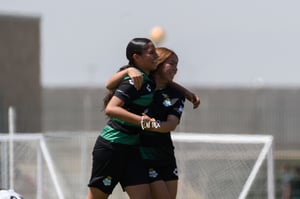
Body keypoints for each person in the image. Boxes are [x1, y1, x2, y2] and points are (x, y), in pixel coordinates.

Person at [106, 47, 200, 199]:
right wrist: (128, 71)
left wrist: (151, 124)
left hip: (165, 154)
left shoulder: (176, 95)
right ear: (159, 63)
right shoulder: (141, 85)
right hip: (143, 155)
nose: (176, 69)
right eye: (172, 64)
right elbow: (110, 85)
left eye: (177, 65)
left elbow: (171, 124)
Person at [85, 38, 159, 199]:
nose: (156, 56)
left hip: (131, 149)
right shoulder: (134, 81)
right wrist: (141, 121)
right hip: (112, 147)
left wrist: (187, 94)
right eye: (151, 52)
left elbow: (167, 78)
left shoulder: (147, 80)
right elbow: (111, 108)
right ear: (136, 57)